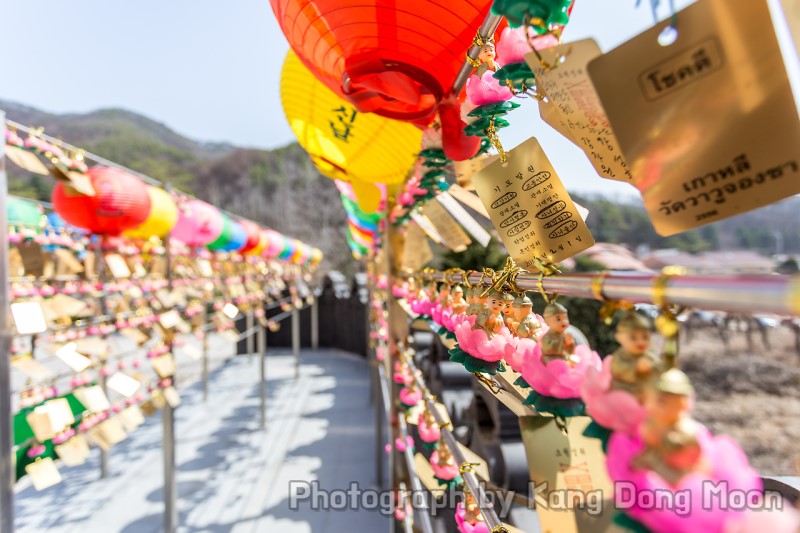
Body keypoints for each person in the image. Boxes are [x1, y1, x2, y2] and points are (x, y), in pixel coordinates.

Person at [633, 369, 708, 486]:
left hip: (681, 478)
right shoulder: (649, 425)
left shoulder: (687, 431)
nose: (651, 406)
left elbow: (696, 462)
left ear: (682, 403)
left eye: (661, 402)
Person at [610, 312, 662, 400]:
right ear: (619, 337)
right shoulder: (620, 356)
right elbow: (618, 369)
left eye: (645, 337)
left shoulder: (650, 356)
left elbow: (658, 369)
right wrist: (636, 367)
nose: (640, 342)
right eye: (633, 338)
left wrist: (653, 368)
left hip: (646, 394)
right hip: (624, 393)